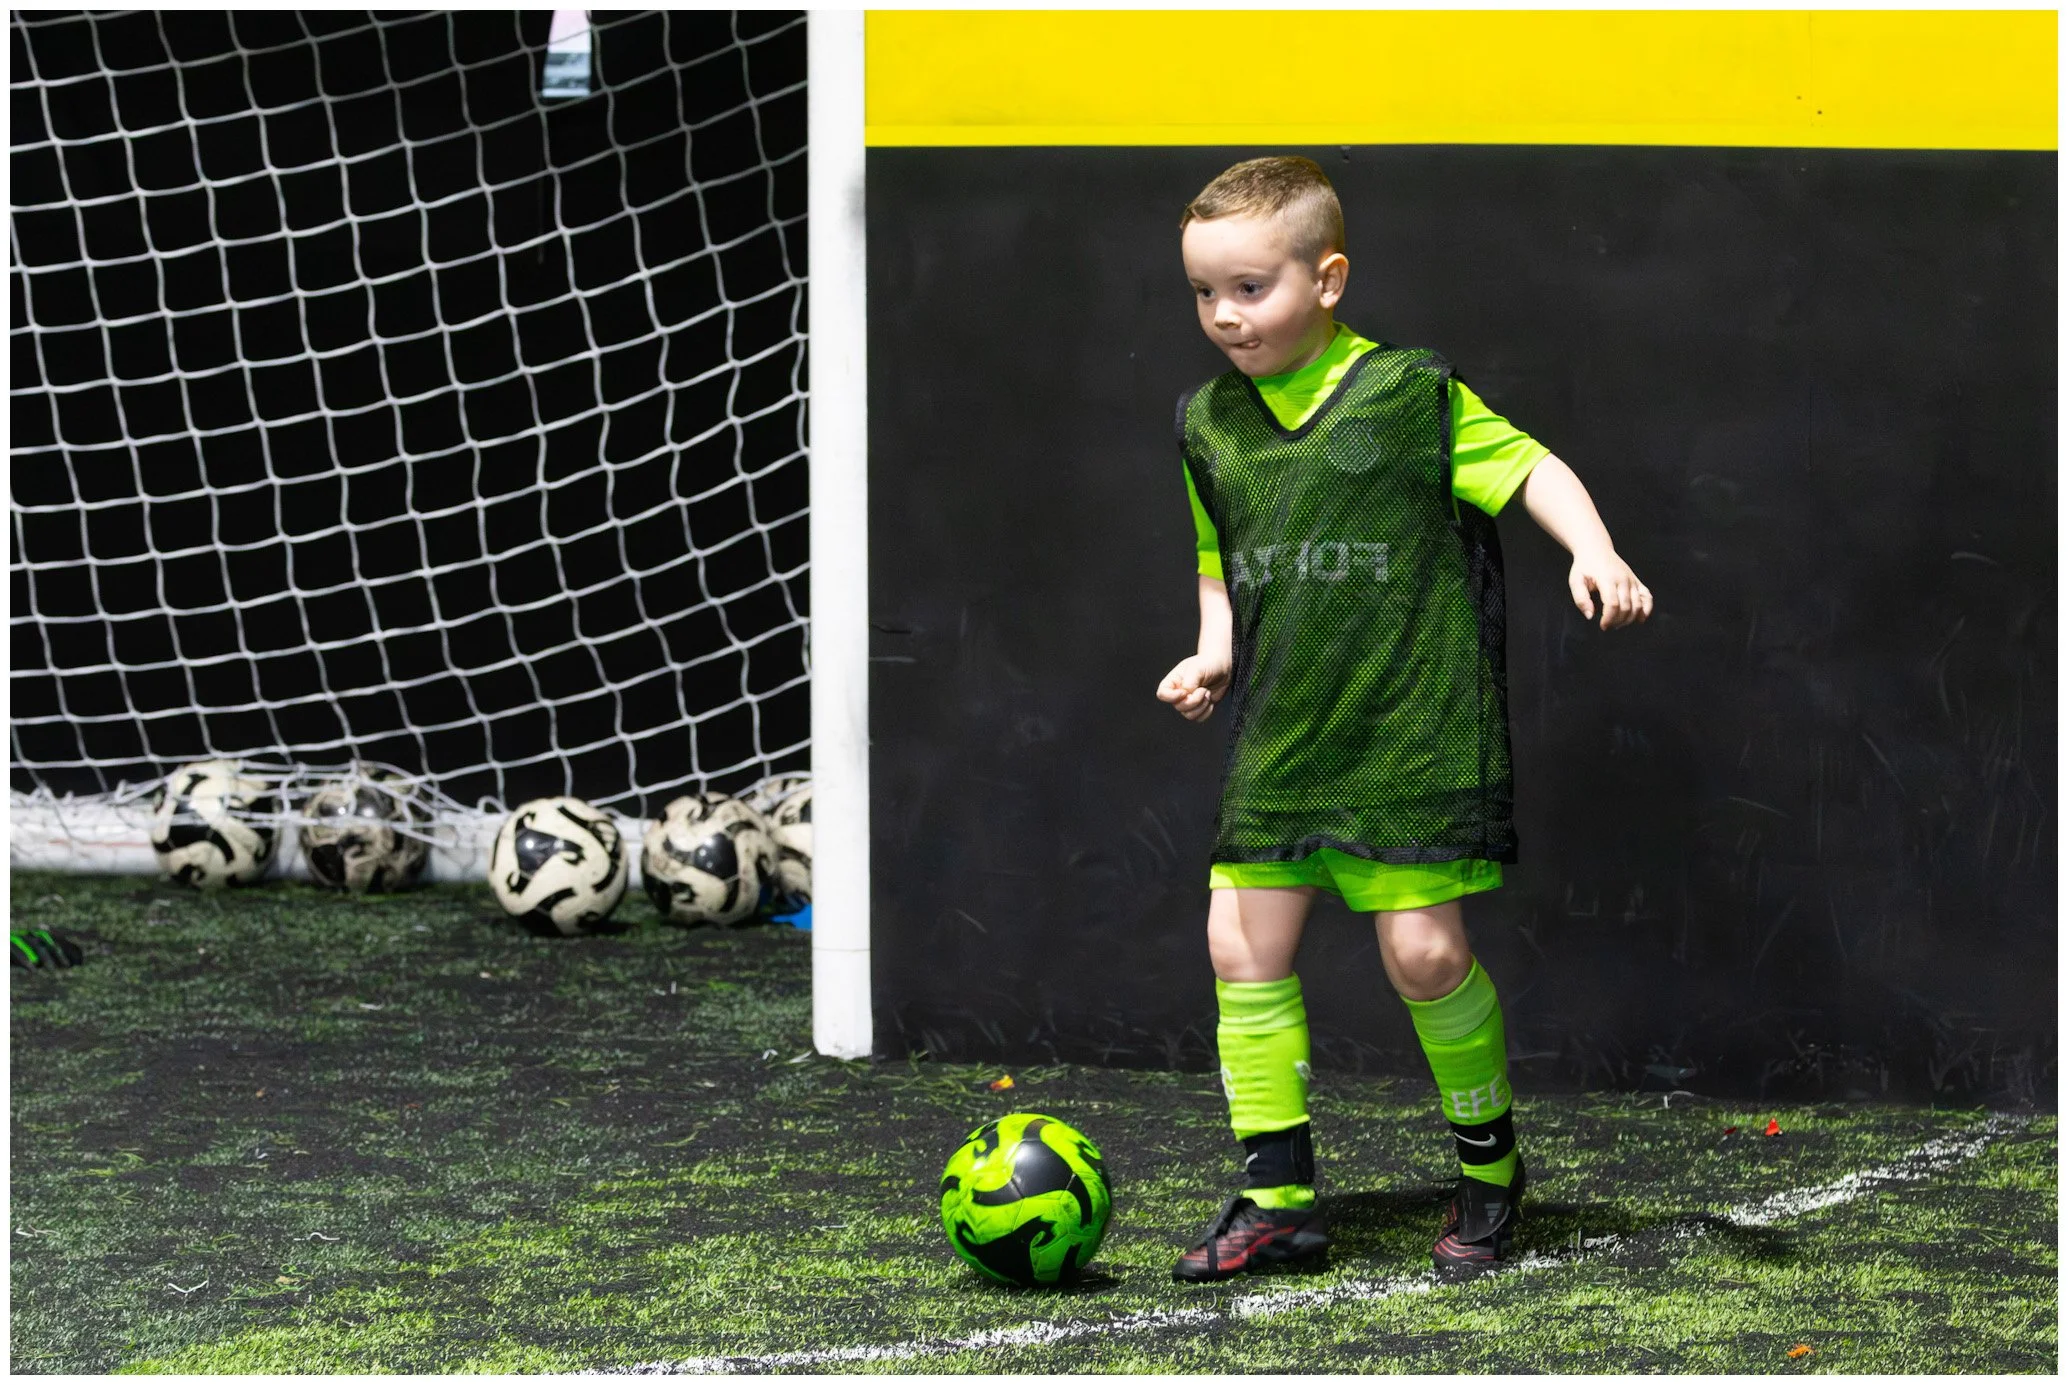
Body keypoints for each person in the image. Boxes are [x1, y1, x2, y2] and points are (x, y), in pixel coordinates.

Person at [1156, 156, 1652, 1282]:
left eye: (1249, 287)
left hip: (1410, 728)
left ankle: (1489, 1171)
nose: (1224, 317)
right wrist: (1214, 652)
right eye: (1202, 294)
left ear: (1327, 278)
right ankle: (1276, 1198)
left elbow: (1530, 466)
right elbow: (1218, 562)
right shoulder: (1208, 425)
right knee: (1239, 940)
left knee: (1424, 956)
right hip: (1286, 731)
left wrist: (1591, 545)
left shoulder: (1407, 394)